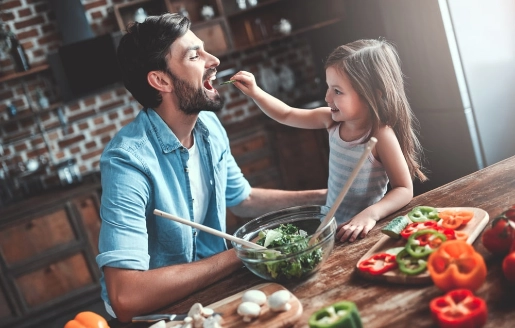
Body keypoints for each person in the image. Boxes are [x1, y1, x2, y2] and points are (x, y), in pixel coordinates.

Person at [96, 13, 326, 322]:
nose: (213, 60)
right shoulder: (127, 162)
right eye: (195, 55)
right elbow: (126, 296)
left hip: (211, 296)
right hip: (157, 319)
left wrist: (328, 197)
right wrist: (241, 253)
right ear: (161, 80)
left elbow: (242, 199)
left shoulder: (208, 126)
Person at [230, 39, 427, 244]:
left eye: (337, 91)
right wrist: (255, 92)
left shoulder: (380, 134)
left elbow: (404, 189)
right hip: (332, 228)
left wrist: (370, 215)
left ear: (372, 96)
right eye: (328, 87)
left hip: (364, 231)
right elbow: (286, 114)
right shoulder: (330, 121)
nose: (327, 97)